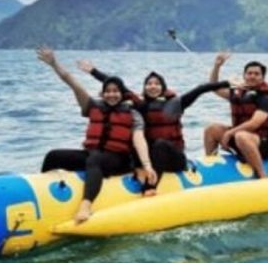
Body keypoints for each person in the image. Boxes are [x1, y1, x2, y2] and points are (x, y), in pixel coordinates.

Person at [36, 47, 154, 224]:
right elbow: (73, 83)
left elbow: (139, 139)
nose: (111, 94)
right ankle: (42, 194)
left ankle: (86, 205)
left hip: (118, 160)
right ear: (102, 93)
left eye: (116, 91)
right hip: (93, 155)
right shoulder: (92, 106)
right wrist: (54, 64)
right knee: (54, 156)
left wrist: (147, 165)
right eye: (108, 90)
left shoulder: (132, 114)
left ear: (122, 94)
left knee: (95, 160)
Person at [77, 62, 229, 196]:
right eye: (149, 84)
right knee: (133, 142)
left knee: (160, 144)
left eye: (157, 83)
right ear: (145, 87)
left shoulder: (177, 103)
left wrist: (227, 83)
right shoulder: (141, 105)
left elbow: (201, 89)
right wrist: (93, 71)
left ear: (163, 87)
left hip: (175, 159)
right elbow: (119, 86)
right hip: (151, 158)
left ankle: (150, 186)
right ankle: (126, 171)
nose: (153, 86)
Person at [203, 53, 268, 179]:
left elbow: (255, 123)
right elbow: (214, 88)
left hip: (262, 143)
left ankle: (262, 174)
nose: (252, 76)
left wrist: (230, 133)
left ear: (262, 78)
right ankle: (211, 166)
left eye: (256, 74)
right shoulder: (238, 92)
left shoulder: (264, 97)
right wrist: (217, 66)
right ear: (244, 75)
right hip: (238, 139)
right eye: (249, 73)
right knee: (211, 129)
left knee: (241, 135)